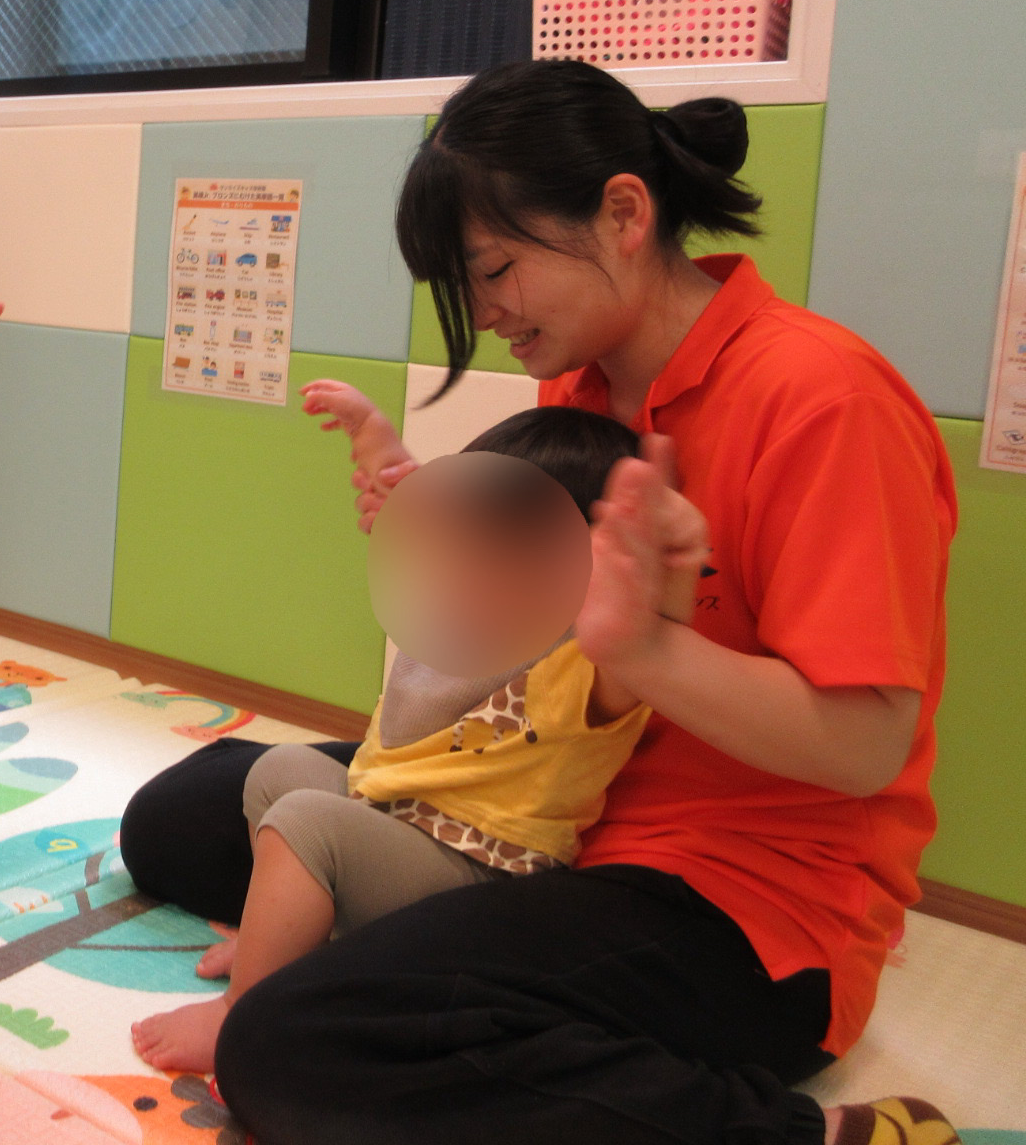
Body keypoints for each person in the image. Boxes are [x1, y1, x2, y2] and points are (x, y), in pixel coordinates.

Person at [119, 61, 962, 1145]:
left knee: (288, 1042)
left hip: (741, 902)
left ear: (623, 214)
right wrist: (430, 528)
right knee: (179, 817)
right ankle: (412, 967)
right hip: (540, 803)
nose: (482, 314)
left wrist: (647, 649)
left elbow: (865, 747)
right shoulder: (581, 384)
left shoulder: (822, 400)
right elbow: (513, 642)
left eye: (494, 271)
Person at [132, 402, 663, 1075]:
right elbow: (410, 509)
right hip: (399, 818)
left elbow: (640, 648)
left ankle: (241, 1010)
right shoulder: (467, 611)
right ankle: (286, 938)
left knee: (305, 822)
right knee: (279, 770)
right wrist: (374, 438)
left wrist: (647, 573)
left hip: (476, 871)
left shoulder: (584, 657)